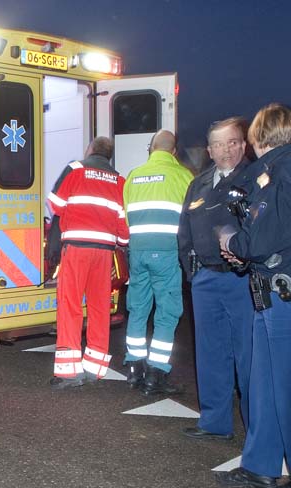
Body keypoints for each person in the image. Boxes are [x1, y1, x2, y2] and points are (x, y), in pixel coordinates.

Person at [216, 103, 291, 488]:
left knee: (285, 387)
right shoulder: (274, 172)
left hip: (283, 295)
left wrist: (232, 242)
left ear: (259, 138)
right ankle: (261, 466)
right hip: (270, 293)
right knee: (263, 386)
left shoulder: (281, 172)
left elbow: (263, 235)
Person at [177, 118, 253, 440]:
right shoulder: (199, 183)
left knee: (249, 358)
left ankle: (257, 431)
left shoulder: (257, 178)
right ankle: (214, 423)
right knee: (210, 353)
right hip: (206, 279)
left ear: (243, 145)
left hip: (243, 281)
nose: (226, 150)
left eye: (233, 142)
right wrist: (192, 272)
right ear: (209, 150)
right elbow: (185, 230)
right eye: (219, 144)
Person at [46, 137, 129, 389]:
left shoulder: (76, 169)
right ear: (109, 156)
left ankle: (69, 373)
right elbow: (124, 231)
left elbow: (55, 204)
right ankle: (95, 368)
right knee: (99, 307)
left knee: (70, 305)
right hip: (104, 252)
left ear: (90, 151)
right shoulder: (120, 180)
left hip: (77, 248)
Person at [122, 130, 193, 395]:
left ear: (150, 149)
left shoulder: (133, 176)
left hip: (138, 251)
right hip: (166, 252)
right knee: (167, 312)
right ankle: (156, 374)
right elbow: (191, 219)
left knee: (138, 309)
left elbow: (126, 215)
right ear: (174, 151)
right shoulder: (184, 176)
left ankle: (134, 369)